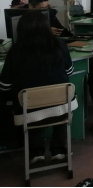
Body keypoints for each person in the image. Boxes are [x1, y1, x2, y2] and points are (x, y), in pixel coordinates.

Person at [0, 12, 75, 164]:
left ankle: (35, 153)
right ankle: (59, 150)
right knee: (60, 104)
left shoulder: (16, 50)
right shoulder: (59, 44)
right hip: (62, 108)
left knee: (28, 104)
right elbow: (69, 71)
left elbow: (4, 86)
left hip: (28, 112)